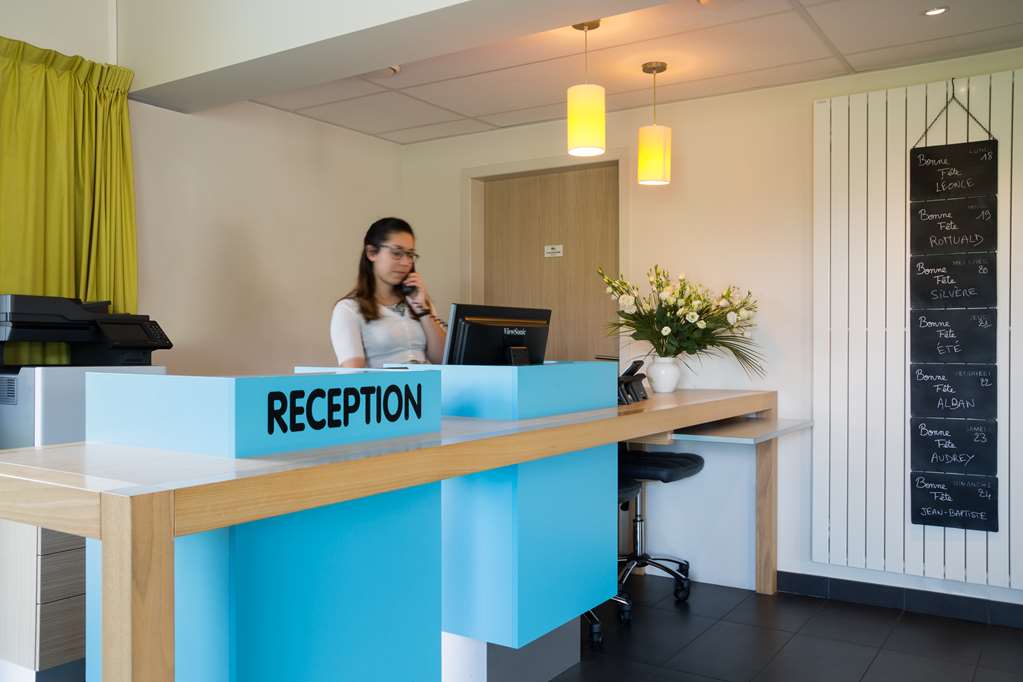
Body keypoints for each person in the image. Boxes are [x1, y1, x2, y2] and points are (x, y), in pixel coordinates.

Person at [331, 217, 446, 367]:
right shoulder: (349, 309)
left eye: (410, 255)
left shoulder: (419, 301)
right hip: (387, 382)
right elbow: (352, 373)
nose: (406, 262)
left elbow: (443, 360)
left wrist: (423, 310)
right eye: (397, 253)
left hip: (426, 382)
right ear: (372, 253)